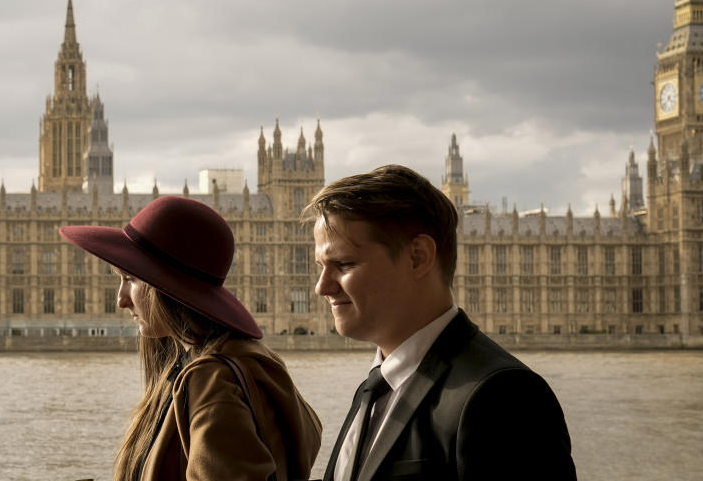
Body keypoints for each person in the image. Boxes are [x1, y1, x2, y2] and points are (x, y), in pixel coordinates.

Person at [305, 165, 576, 481]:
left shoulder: (503, 398)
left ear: (418, 257)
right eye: (321, 267)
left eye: (344, 264)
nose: (322, 287)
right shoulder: (374, 388)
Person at [60, 196, 321, 481]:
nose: (121, 300)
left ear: (166, 288)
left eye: (131, 279)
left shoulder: (211, 380)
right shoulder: (246, 360)